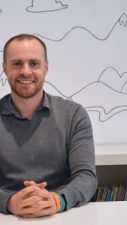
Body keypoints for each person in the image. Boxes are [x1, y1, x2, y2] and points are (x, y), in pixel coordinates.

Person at [0, 34, 97, 217]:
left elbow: (86, 177)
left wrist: (55, 200)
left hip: (61, 215)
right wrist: (9, 201)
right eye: (17, 63)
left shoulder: (74, 115)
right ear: (5, 69)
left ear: (46, 67)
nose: (26, 72)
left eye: (34, 63)